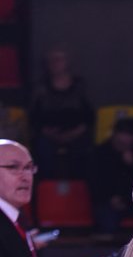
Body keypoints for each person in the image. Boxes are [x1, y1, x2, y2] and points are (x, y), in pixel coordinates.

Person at [30, 46, 94, 179]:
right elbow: (34, 117)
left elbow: (89, 116)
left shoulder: (80, 86)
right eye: (51, 60)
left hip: (77, 134)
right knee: (41, 151)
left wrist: (74, 133)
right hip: (48, 135)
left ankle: (80, 188)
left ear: (67, 62)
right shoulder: (40, 87)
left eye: (58, 59)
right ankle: (45, 187)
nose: (55, 63)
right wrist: (48, 133)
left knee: (83, 153)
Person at [90, 117, 133, 235]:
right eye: (123, 133)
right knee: (107, 222)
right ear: (115, 134)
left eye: (130, 135)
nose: (126, 138)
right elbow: (95, 181)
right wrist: (110, 198)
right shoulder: (100, 153)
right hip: (107, 201)